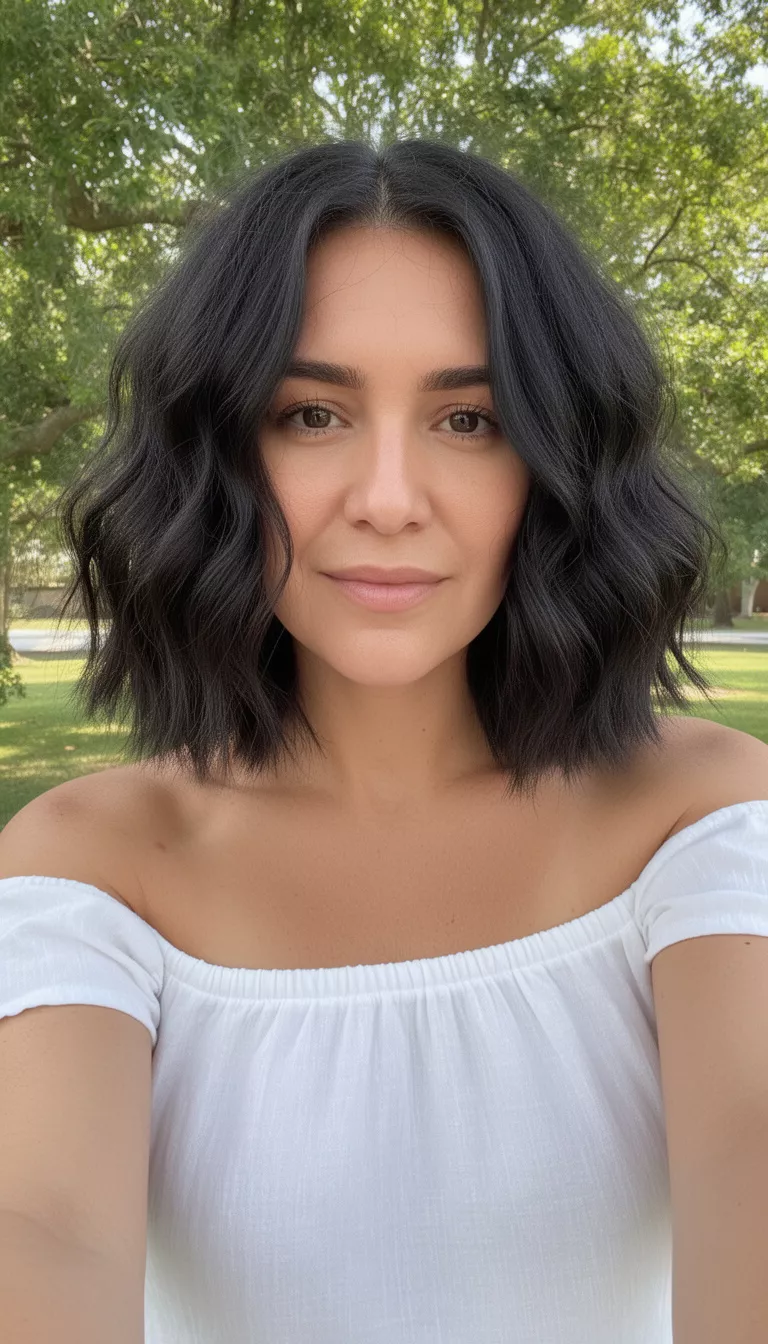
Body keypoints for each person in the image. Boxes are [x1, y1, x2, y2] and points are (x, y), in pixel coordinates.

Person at [1, 137, 768, 1344]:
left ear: (556, 461)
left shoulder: (698, 820)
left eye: (470, 418)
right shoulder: (93, 869)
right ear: (219, 454)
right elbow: (42, 1223)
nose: (391, 495)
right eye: (312, 414)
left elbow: (750, 1149)